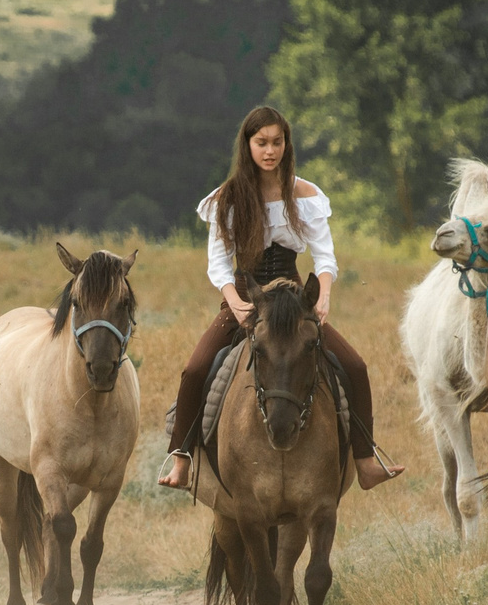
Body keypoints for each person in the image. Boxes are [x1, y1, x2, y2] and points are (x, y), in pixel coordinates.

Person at [159, 105, 402, 493]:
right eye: (261, 143)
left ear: (286, 144)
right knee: (195, 369)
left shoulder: (304, 194)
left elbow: (324, 256)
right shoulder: (228, 197)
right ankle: (182, 458)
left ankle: (366, 459)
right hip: (245, 298)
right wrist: (235, 303)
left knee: (355, 366)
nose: (269, 150)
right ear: (248, 145)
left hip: (293, 300)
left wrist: (323, 296)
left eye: (277, 142)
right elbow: (219, 264)